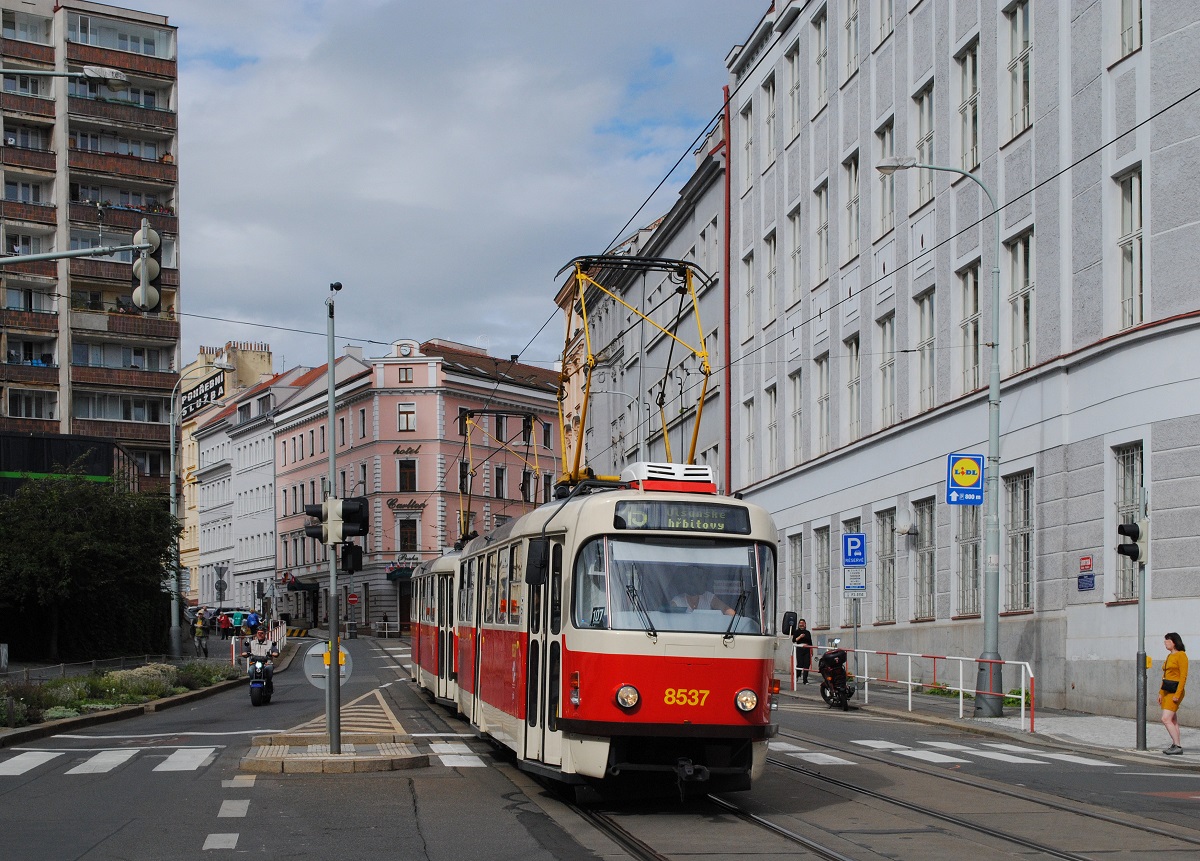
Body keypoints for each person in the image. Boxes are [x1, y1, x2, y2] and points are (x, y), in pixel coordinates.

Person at [1159, 632, 1188, 755]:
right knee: (1173, 720)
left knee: (1166, 719)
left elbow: (1183, 677)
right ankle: (1176, 744)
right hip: (1167, 690)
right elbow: (1165, 676)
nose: (1165, 643)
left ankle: (1177, 746)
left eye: (1167, 641)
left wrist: (1177, 694)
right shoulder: (1169, 656)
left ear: (1174, 642)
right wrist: (1160, 693)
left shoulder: (1181, 656)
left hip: (1175, 691)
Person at [241, 627, 280, 694]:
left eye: (262, 633)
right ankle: (252, 684)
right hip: (254, 663)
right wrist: (245, 653)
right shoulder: (252, 643)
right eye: (258, 633)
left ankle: (268, 684)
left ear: (265, 634)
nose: (260, 635)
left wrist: (275, 653)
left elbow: (275, 651)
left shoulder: (270, 643)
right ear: (256, 634)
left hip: (266, 663)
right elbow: (245, 651)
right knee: (250, 670)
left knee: (269, 669)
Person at [670, 585, 735, 616]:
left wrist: (732, 615)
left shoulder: (708, 596)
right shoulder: (677, 601)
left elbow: (725, 609)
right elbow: (669, 618)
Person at [792, 618, 814, 685]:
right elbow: (794, 640)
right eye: (800, 624)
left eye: (803, 624)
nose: (802, 625)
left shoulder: (807, 632)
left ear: (805, 624)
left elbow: (810, 642)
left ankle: (805, 680)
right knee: (800, 664)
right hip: (799, 649)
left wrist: (811, 650)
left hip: (807, 649)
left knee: (807, 665)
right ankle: (797, 676)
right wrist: (800, 637)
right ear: (799, 624)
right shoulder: (796, 632)